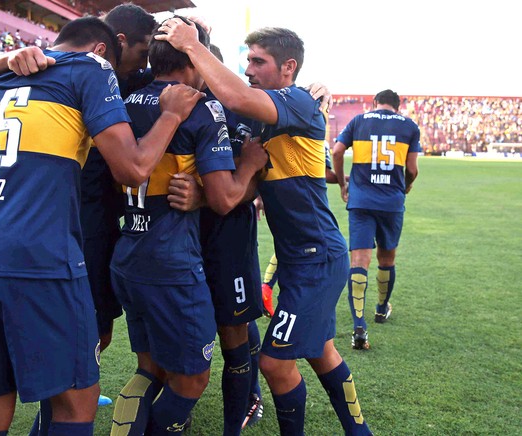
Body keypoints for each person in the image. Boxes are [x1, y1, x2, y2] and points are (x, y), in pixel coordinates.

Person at [0, 16, 203, 436]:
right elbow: (134, 169)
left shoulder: (4, 75)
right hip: (35, 256)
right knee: (75, 401)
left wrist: (10, 56)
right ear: (103, 49)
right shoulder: (93, 67)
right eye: (129, 60)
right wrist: (171, 115)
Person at [158, 20, 372, 435]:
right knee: (322, 352)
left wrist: (191, 44)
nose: (249, 69)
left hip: (317, 256)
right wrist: (203, 196)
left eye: (259, 61)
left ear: (288, 67)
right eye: (247, 60)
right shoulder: (263, 116)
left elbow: (236, 93)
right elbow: (246, 184)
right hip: (300, 259)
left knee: (274, 362)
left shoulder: (297, 101)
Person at [109, 18, 268, 436]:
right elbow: (223, 198)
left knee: (150, 368)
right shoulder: (200, 107)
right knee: (194, 377)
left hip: (128, 253)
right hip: (173, 263)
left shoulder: (124, 101)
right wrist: (251, 164)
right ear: (193, 62)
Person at [331, 89, 420, 350]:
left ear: (374, 103)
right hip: (391, 202)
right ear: (398, 106)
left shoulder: (359, 121)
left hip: (361, 201)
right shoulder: (410, 126)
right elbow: (412, 169)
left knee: (359, 260)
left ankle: (359, 326)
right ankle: (381, 309)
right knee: (386, 258)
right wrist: (405, 185)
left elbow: (336, 152)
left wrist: (341, 185)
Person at [260, 141, 348, 318]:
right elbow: (324, 174)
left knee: (290, 244)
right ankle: (281, 294)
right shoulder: (314, 135)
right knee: (306, 248)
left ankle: (267, 287)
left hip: (280, 196)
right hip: (305, 202)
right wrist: (344, 178)